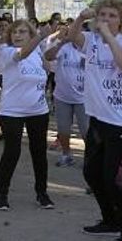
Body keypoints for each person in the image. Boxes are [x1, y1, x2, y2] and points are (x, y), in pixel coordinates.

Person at [66, 0, 122, 241]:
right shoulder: (91, 41)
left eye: (112, 16)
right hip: (99, 120)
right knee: (92, 174)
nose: (106, 19)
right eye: (102, 15)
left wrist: (109, 36)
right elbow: (72, 37)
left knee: (116, 182)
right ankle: (110, 220)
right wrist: (80, 18)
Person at [0, 20, 53, 210]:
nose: (17, 35)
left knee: (39, 152)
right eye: (14, 32)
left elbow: (47, 70)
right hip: (12, 112)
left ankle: (42, 193)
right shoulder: (7, 51)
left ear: (30, 34)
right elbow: (22, 53)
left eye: (22, 32)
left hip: (38, 110)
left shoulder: (36, 52)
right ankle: (2, 194)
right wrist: (40, 36)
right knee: (12, 152)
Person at [45, 25, 87, 168]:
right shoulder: (64, 47)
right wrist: (61, 42)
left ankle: (91, 157)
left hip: (83, 98)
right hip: (62, 96)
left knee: (86, 130)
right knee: (63, 129)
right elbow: (48, 56)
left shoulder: (89, 50)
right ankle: (66, 154)